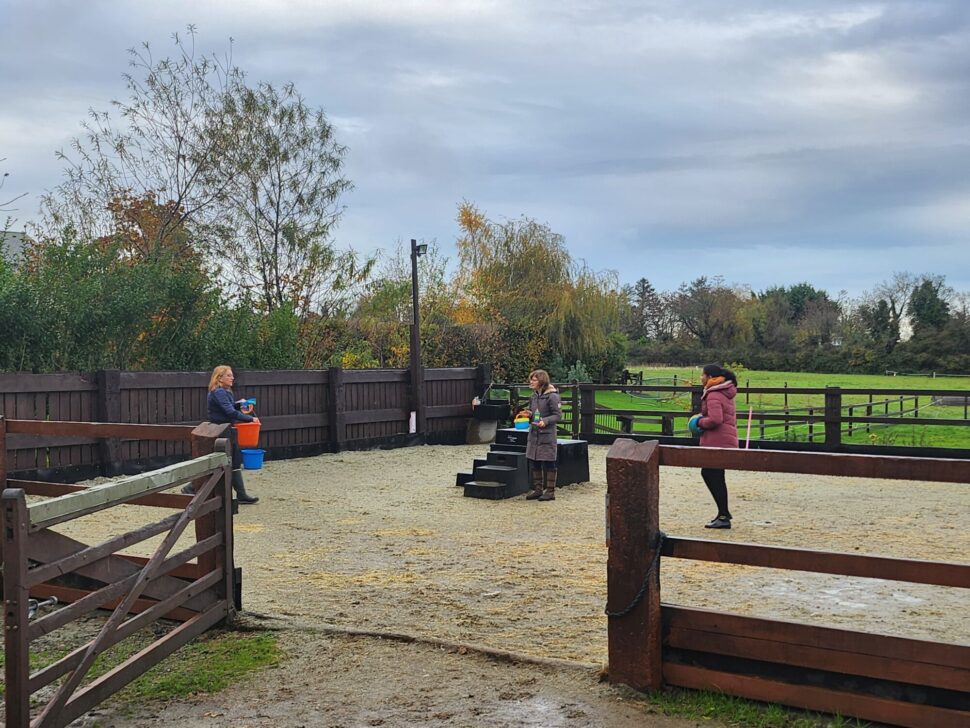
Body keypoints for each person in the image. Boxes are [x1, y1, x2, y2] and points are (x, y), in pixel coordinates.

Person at [186, 365, 260, 504]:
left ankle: (241, 494)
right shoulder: (219, 392)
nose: (232, 378)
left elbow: (229, 407)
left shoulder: (224, 392)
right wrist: (250, 419)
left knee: (233, 460)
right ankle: (191, 487)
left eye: (232, 375)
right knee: (222, 462)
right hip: (221, 430)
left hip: (226, 429)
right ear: (219, 378)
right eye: (229, 375)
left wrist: (240, 404)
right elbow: (229, 412)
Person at [694, 363, 738, 528]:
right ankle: (723, 513)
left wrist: (699, 422)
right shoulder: (723, 392)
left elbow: (715, 419)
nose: (701, 378)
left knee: (710, 474)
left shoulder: (713, 394)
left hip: (717, 440)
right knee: (715, 475)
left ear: (710, 377)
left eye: (703, 375)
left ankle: (724, 515)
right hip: (724, 439)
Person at [519, 369, 562, 501]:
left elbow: (558, 415)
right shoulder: (534, 396)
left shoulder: (552, 396)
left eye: (534, 380)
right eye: (531, 379)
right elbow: (535, 413)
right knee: (535, 461)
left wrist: (545, 421)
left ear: (542, 381)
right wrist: (529, 414)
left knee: (549, 462)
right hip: (534, 434)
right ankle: (538, 490)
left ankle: (550, 492)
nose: (531, 382)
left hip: (546, 435)